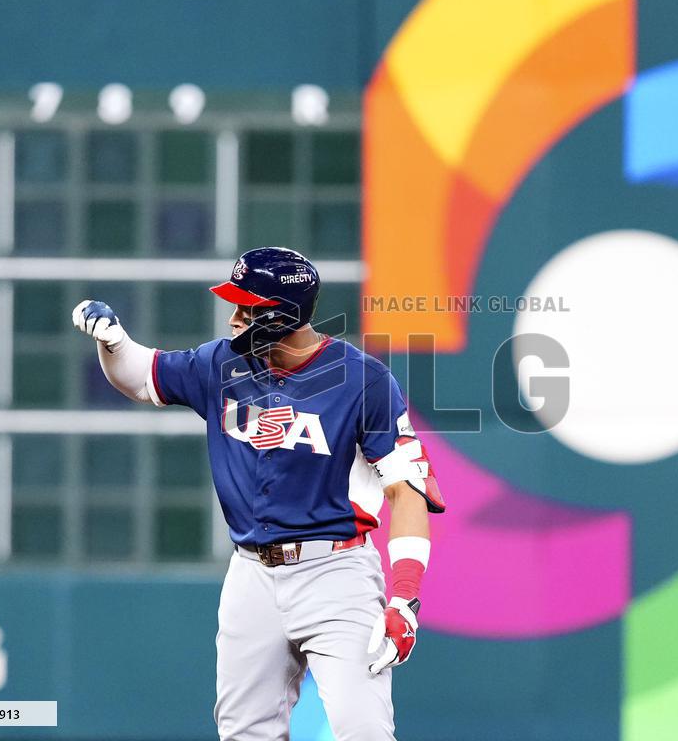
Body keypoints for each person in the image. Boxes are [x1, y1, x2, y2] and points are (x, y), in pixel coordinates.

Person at [72, 246, 445, 741]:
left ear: (280, 315)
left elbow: (407, 491)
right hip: (250, 573)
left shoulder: (363, 379)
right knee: (244, 733)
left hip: (335, 573)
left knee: (364, 731)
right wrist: (114, 342)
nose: (233, 318)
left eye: (246, 308)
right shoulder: (220, 362)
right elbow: (141, 377)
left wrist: (404, 599)